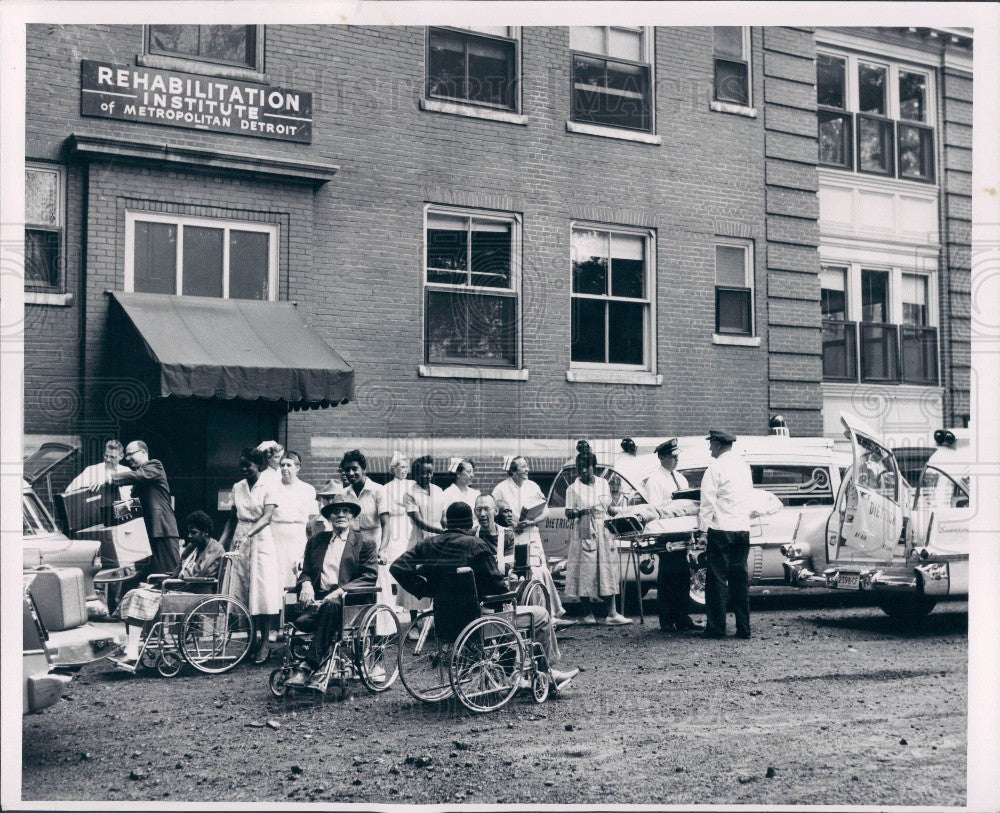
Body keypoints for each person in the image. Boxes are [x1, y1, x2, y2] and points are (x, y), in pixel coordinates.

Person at [390, 501, 579, 692]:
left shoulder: (429, 544)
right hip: (480, 618)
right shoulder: (476, 545)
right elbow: (498, 589)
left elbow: (397, 567)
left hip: (445, 617)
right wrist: (510, 591)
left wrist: (426, 590)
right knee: (540, 615)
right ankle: (548, 671)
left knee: (502, 612)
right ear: (468, 522)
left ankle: (511, 672)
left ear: (447, 522)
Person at [284, 494, 378, 688]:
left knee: (331, 607)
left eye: (345, 511)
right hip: (319, 602)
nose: (341, 515)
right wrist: (307, 584)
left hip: (349, 603)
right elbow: (307, 572)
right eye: (336, 511)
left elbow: (369, 576)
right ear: (329, 517)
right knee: (292, 610)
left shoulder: (364, 542)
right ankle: (305, 661)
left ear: (352, 516)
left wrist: (340, 591)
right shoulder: (317, 541)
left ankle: (307, 668)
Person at [111, 510, 225, 668]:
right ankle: (132, 648)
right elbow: (178, 571)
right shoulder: (193, 547)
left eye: (194, 532)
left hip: (196, 593)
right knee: (133, 593)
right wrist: (158, 584)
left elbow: (195, 574)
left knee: (140, 597)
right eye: (189, 532)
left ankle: (131, 653)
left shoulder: (215, 549)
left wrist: (167, 583)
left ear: (205, 533)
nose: (189, 536)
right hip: (182, 589)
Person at [222, 447, 282, 664]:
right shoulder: (238, 487)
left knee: (261, 593)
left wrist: (249, 534)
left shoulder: (270, 485)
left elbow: (267, 517)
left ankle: (264, 642)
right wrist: (221, 543)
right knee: (243, 592)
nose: (244, 468)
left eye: (248, 465)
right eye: (242, 465)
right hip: (241, 540)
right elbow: (231, 518)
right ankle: (250, 642)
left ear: (259, 465)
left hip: (260, 541)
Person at [492, 456, 565, 620]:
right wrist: (513, 524)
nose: (527, 469)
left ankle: (548, 613)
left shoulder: (533, 486)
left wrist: (532, 521)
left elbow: (545, 511)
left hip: (532, 533)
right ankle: (525, 615)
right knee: (519, 574)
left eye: (527, 466)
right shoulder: (500, 489)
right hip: (512, 535)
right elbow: (497, 513)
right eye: (523, 466)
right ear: (513, 470)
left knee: (540, 570)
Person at [564, 451, 631, 626]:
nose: (583, 471)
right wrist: (579, 512)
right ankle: (587, 613)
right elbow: (568, 512)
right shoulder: (573, 488)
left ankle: (612, 613)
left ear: (594, 467)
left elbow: (609, 507)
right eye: (580, 468)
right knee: (585, 571)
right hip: (584, 529)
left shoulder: (603, 484)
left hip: (604, 529)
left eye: (587, 467)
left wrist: (619, 512)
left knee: (607, 570)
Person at [699, 429, 754, 639]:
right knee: (740, 580)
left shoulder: (715, 467)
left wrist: (703, 530)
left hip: (721, 529)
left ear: (718, 444)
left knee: (717, 580)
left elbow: (707, 502)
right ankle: (744, 628)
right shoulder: (743, 466)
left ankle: (716, 628)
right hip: (742, 528)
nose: (709, 448)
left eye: (711, 444)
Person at [96, 440, 181, 575]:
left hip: (161, 531)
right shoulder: (139, 479)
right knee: (147, 578)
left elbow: (138, 476)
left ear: (143, 452)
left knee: (168, 575)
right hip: (145, 536)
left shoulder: (155, 466)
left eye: (130, 454)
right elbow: (133, 507)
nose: (128, 459)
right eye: (127, 455)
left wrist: (111, 479)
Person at [644, 438, 702, 632]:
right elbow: (655, 508)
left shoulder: (680, 478)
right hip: (666, 532)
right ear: (661, 457)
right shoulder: (655, 480)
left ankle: (682, 616)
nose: (675, 460)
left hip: (682, 530)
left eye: (677, 456)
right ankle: (667, 619)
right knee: (668, 575)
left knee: (683, 574)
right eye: (671, 457)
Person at [399, 455, 444, 615]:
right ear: (415, 474)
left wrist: (447, 532)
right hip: (419, 538)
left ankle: (438, 618)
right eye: (423, 473)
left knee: (439, 577)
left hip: (439, 540)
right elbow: (418, 521)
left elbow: (443, 517)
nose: (427, 476)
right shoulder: (409, 493)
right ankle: (413, 621)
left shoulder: (439, 491)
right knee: (416, 576)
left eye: (430, 472)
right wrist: (440, 531)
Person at [271, 452, 319, 589]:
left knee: (296, 571)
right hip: (276, 536)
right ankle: (277, 608)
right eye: (282, 465)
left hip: (298, 537)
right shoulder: (272, 488)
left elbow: (313, 517)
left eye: (289, 465)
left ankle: (294, 607)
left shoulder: (308, 489)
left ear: (297, 468)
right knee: (276, 573)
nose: (285, 468)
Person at [380, 452, 413, 611]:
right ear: (393, 469)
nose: (405, 470)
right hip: (395, 527)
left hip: (410, 525)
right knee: (396, 560)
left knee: (410, 560)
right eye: (402, 466)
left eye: (407, 467)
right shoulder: (387, 487)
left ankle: (411, 600)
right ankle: (395, 601)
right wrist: (404, 506)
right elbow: (388, 508)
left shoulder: (413, 485)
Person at [65, 439, 132, 500]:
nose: (108, 459)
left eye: (112, 457)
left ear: (121, 456)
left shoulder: (127, 471)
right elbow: (69, 490)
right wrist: (86, 487)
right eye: (106, 456)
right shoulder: (91, 470)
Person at [475, 494, 514, 572]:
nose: (482, 514)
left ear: (496, 511)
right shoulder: (471, 534)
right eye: (479, 509)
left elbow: (508, 566)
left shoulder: (507, 535)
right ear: (474, 512)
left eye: (487, 509)